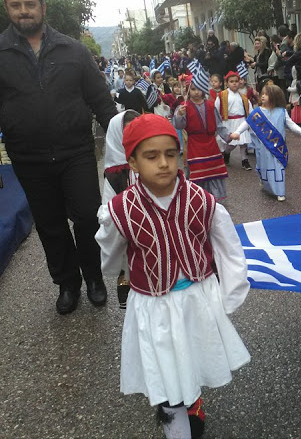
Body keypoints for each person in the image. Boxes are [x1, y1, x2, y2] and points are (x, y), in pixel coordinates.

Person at [95, 114, 250, 438]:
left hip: (196, 298)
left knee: (192, 352)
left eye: (171, 153)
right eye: (151, 156)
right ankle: (174, 419)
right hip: (152, 305)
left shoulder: (202, 201)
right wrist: (126, 270)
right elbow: (110, 256)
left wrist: (229, 295)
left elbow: (229, 249)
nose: (164, 163)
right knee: (165, 364)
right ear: (133, 162)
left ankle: (191, 399)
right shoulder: (121, 210)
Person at [0, 0, 117, 314]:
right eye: (15, 5)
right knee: (50, 225)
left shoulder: (74, 50)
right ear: (8, 8)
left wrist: (132, 141)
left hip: (76, 153)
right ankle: (67, 284)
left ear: (42, 8)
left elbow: (101, 103)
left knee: (87, 218)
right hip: (28, 159)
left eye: (29, 4)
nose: (23, 11)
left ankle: (94, 277)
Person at [230, 85, 301, 201]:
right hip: (262, 147)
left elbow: (291, 124)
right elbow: (246, 123)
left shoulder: (282, 112)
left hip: (278, 147)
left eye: (266, 94)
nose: (263, 96)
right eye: (262, 93)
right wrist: (237, 132)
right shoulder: (257, 112)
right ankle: (264, 182)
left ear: (274, 97)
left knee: (278, 167)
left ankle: (280, 192)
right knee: (263, 167)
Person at [101, 109, 141, 309]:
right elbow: (107, 206)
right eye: (126, 132)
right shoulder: (113, 174)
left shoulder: (147, 160)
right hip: (127, 225)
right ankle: (125, 275)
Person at [174, 80, 230, 200]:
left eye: (199, 89)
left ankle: (215, 198)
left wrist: (228, 136)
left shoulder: (210, 105)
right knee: (196, 171)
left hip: (211, 143)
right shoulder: (184, 107)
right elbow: (179, 125)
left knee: (214, 172)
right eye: (193, 89)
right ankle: (197, 198)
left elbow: (219, 124)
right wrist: (179, 114)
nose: (196, 92)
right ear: (189, 91)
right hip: (195, 144)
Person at [215, 71, 252, 170]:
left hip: (241, 121)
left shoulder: (243, 97)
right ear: (227, 83)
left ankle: (245, 160)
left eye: (236, 81)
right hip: (228, 122)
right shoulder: (222, 95)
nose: (234, 83)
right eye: (231, 81)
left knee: (243, 143)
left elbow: (249, 109)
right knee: (230, 144)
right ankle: (226, 153)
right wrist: (217, 123)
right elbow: (216, 110)